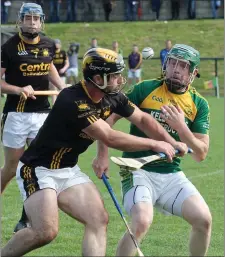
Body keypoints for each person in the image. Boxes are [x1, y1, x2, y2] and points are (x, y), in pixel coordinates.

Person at [1, 47, 187, 257]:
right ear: (98, 78)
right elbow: (109, 136)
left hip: (68, 170)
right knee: (45, 232)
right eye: (114, 76)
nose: (119, 80)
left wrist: (171, 141)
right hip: (38, 169)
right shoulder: (72, 100)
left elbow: (143, 119)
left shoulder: (113, 96)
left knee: (98, 219)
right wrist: (155, 144)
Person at [93, 44, 212, 256]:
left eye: (183, 66)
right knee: (141, 221)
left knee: (203, 220)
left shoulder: (198, 104)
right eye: (173, 63)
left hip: (171, 175)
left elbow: (201, 153)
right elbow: (107, 120)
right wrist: (101, 155)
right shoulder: (145, 89)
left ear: (193, 73)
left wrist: (181, 128)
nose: (176, 69)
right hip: (137, 170)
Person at [1, 2, 66, 233]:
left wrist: (61, 87)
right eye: (27, 18)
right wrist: (18, 90)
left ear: (41, 21)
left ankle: (25, 218)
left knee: (36, 165)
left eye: (35, 19)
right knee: (10, 168)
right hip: (16, 114)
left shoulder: (48, 44)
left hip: (41, 114)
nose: (32, 22)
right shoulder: (8, 47)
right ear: (20, 21)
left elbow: (49, 67)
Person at [50, 39, 69, 104]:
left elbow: (67, 63)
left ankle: (61, 103)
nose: (56, 45)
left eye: (58, 43)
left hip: (62, 74)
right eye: (55, 43)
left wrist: (64, 69)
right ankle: (53, 104)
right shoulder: (52, 53)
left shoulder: (63, 52)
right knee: (53, 90)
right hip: (53, 75)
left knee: (62, 90)